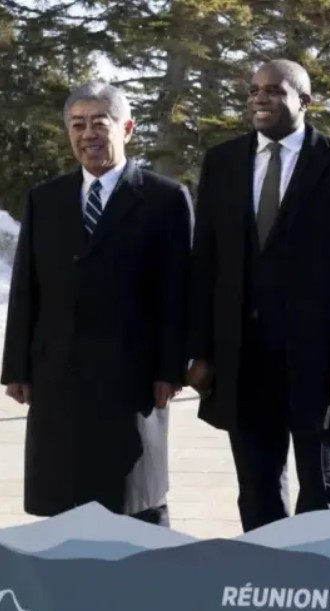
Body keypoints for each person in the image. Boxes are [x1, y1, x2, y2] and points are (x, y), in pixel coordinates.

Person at [186, 59, 330, 531]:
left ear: (304, 101)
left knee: (324, 492)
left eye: (273, 90)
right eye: (254, 91)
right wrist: (201, 350)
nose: (259, 99)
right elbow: (205, 262)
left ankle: (322, 590)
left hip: (316, 363)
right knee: (257, 490)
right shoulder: (223, 162)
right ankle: (264, 585)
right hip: (242, 360)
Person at [1, 81, 192, 526]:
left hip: (133, 374)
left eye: (99, 123)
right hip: (58, 373)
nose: (87, 133)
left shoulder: (164, 199)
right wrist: (17, 369)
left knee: (134, 496)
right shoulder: (44, 198)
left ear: (127, 128)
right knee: (61, 494)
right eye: (77, 124)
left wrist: (170, 368)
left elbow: (178, 292)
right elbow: (28, 287)